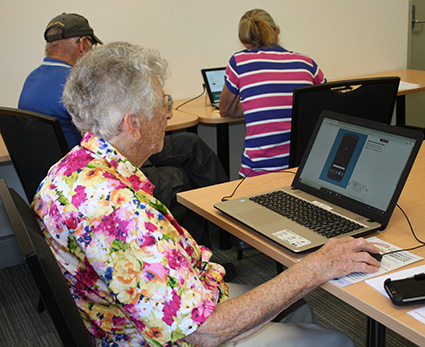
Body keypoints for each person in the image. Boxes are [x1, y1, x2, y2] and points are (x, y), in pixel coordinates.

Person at [32, 41, 382, 346]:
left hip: (157, 307)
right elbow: (206, 331)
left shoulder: (71, 170)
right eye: (162, 103)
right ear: (133, 123)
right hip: (176, 335)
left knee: (298, 305)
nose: (167, 113)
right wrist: (317, 266)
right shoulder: (115, 208)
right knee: (338, 339)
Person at [18, 12, 228, 250]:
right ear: (83, 44)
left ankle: (223, 224)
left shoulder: (31, 80)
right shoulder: (79, 82)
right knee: (178, 176)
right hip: (101, 164)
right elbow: (114, 134)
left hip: (70, 169)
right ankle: (215, 244)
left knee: (189, 143)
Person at [220, 9, 326, 177]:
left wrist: (255, 105)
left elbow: (225, 110)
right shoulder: (307, 63)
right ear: (276, 32)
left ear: (245, 40)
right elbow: (326, 104)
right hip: (302, 171)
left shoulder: (239, 62)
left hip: (258, 174)